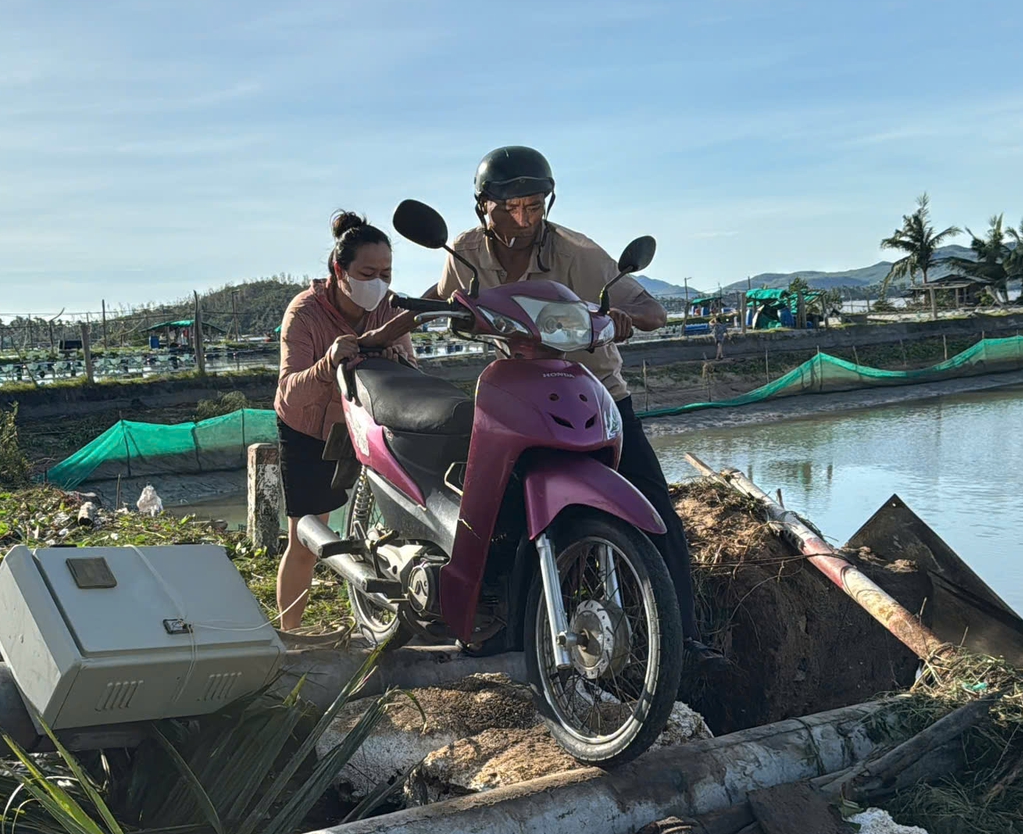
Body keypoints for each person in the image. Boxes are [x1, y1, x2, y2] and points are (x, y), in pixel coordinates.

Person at [428, 146, 727, 669]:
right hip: (522, 399)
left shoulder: (576, 252)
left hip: (594, 393)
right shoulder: (465, 252)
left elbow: (650, 309)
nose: (524, 219)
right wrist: (387, 327)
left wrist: (621, 318)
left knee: (656, 506)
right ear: (482, 206)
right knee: (499, 511)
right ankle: (498, 622)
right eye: (509, 208)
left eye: (534, 206)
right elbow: (448, 299)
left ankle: (686, 640)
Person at [274, 211, 416, 632]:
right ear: (339, 271)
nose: (379, 284)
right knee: (305, 537)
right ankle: (289, 633)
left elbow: (414, 369)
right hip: (311, 427)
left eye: (386, 274)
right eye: (367, 274)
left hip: (368, 421)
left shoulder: (390, 309)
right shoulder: (304, 312)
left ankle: (390, 613)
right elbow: (289, 391)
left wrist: (396, 361)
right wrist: (328, 363)